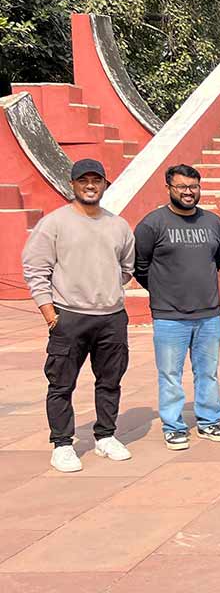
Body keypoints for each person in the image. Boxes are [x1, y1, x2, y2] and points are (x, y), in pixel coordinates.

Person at [22, 159, 135, 473]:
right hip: (68, 317)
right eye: (83, 180)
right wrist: (50, 314)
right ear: (72, 185)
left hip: (111, 316)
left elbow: (127, 268)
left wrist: (105, 287)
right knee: (61, 383)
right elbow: (35, 269)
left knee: (110, 381)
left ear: (104, 184)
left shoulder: (118, 225)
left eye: (96, 180)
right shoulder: (55, 223)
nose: (90, 185)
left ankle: (106, 436)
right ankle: (62, 444)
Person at [134, 164, 220, 450]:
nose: (188, 192)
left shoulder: (212, 223)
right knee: (170, 375)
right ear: (169, 188)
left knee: (208, 372)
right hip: (169, 317)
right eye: (182, 187)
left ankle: (209, 421)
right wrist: (164, 292)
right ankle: (174, 425)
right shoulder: (152, 224)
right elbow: (141, 266)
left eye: (193, 187)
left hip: (208, 314)